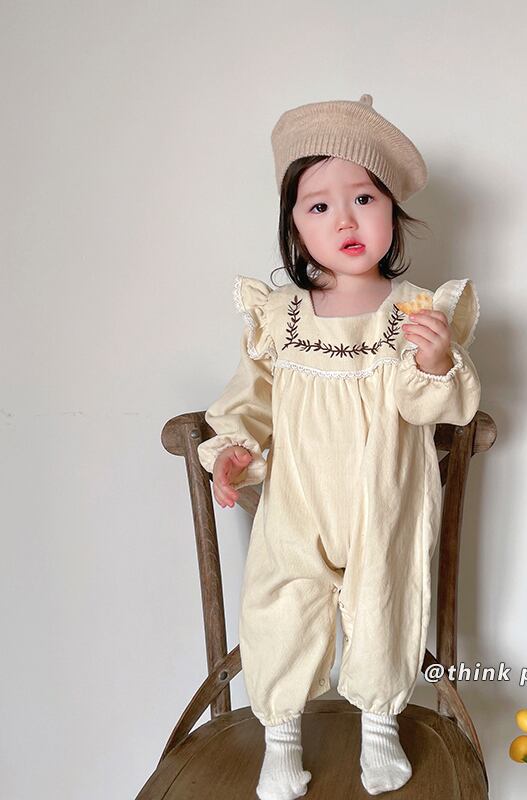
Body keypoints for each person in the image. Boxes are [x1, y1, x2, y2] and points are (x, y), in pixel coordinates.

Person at [197, 93, 481, 799]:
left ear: (393, 212)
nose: (345, 220)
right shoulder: (282, 317)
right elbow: (253, 395)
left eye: (363, 198)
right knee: (280, 602)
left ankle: (379, 727)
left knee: (385, 600)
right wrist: (233, 449)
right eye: (319, 205)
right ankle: (281, 739)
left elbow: (431, 406)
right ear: (294, 225)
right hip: (297, 500)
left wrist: (435, 360)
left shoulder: (412, 311)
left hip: (385, 500)